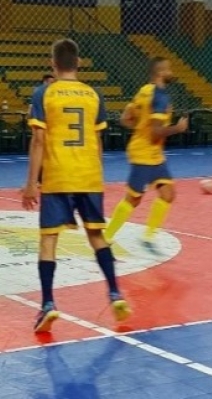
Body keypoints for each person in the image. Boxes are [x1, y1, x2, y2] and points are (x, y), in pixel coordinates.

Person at [21, 39, 130, 333]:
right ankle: (115, 293)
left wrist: (31, 183)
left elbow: (39, 140)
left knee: (48, 240)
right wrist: (97, 178)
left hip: (58, 176)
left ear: (52, 64)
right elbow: (97, 143)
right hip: (89, 176)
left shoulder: (44, 93)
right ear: (79, 63)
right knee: (96, 235)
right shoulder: (93, 95)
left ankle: (47, 304)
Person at [104, 57, 188, 253]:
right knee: (133, 199)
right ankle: (105, 238)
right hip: (145, 155)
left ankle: (148, 236)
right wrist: (178, 128)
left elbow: (126, 119)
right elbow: (156, 132)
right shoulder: (160, 97)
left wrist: (140, 130)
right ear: (160, 73)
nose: (172, 72)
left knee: (168, 194)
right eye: (168, 69)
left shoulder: (143, 91)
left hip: (151, 153)